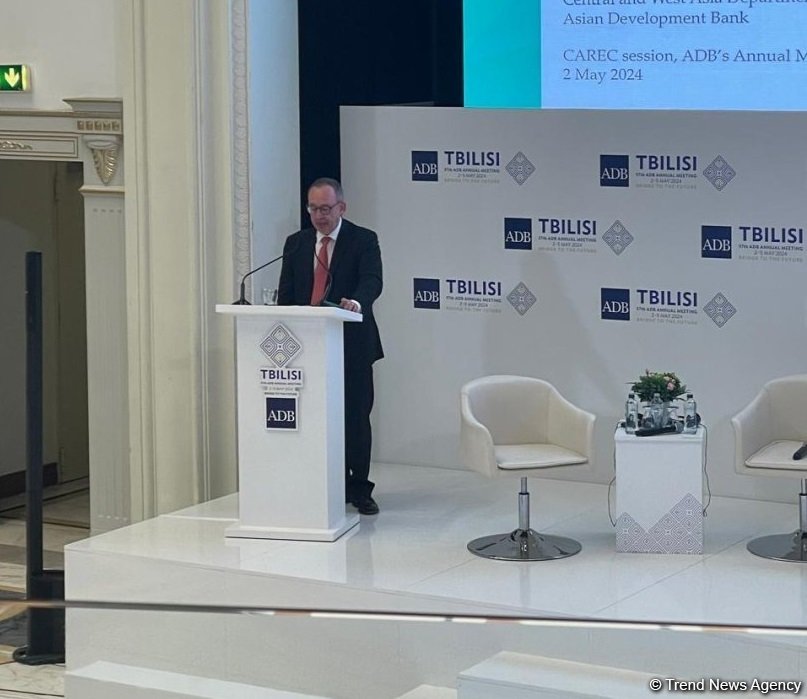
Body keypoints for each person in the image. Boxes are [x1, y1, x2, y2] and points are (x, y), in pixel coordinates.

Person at [278, 178, 383, 515]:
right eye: (313, 209)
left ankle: (359, 488)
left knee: (355, 418)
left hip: (351, 344)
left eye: (326, 208)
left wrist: (357, 302)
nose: (319, 216)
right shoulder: (297, 243)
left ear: (342, 207)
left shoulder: (363, 239)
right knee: (311, 418)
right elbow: (286, 294)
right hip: (307, 347)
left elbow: (372, 281)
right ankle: (319, 483)